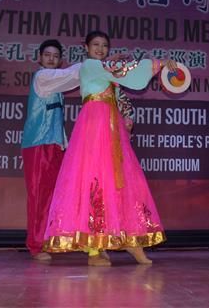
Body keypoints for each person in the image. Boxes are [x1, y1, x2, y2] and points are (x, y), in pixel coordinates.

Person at [43, 31, 174, 266]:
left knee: (121, 181)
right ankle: (95, 250)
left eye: (104, 45)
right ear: (86, 47)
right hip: (94, 127)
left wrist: (127, 118)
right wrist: (157, 63)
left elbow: (120, 92)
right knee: (95, 180)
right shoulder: (90, 66)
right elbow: (123, 70)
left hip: (112, 128)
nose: (100, 49)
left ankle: (132, 242)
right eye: (95, 44)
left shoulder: (105, 72)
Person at [20, 39, 81, 260]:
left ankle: (46, 240)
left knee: (51, 197)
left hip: (54, 146)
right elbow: (71, 76)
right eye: (47, 55)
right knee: (38, 196)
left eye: (55, 56)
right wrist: (94, 64)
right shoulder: (43, 77)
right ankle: (36, 245)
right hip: (38, 145)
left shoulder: (55, 85)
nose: (51, 59)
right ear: (39, 58)